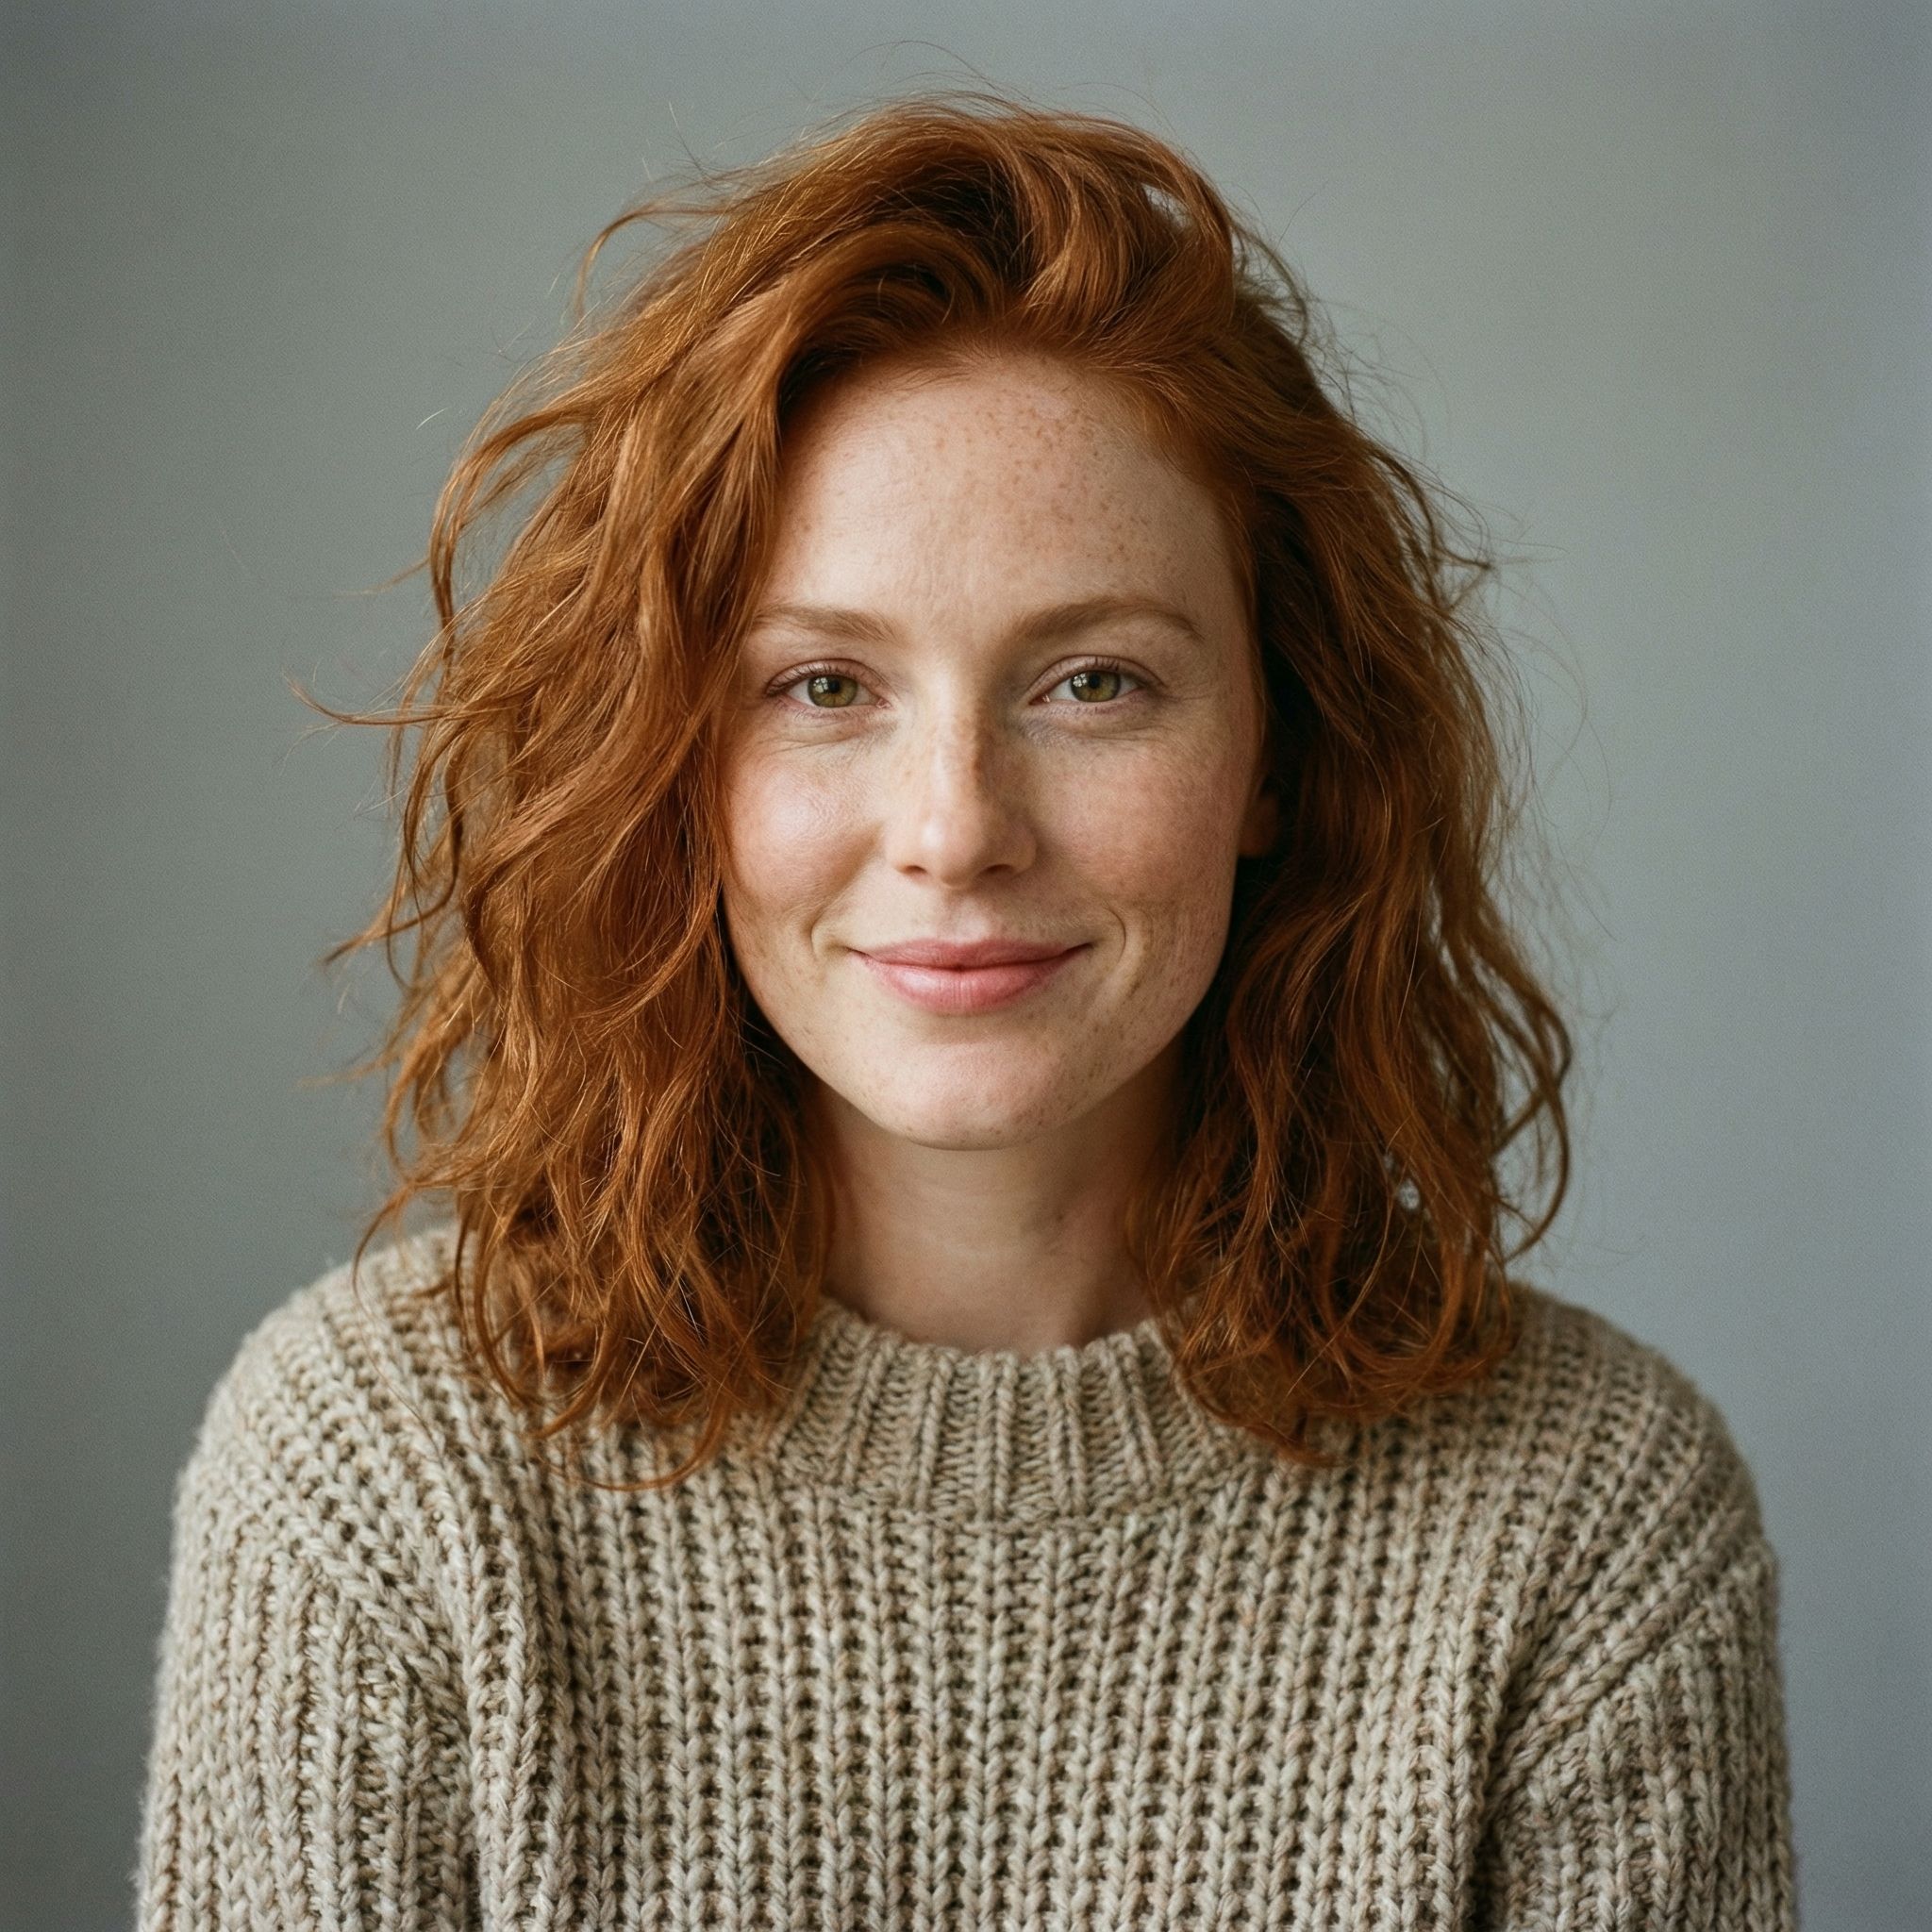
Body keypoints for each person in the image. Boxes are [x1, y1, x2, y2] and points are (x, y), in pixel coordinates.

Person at [134, 93, 1797, 1928]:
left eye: (1093, 682)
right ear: (672, 759)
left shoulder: (1586, 1526)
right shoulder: (382, 1480)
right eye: (824, 684)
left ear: (1276, 753)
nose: (955, 831)